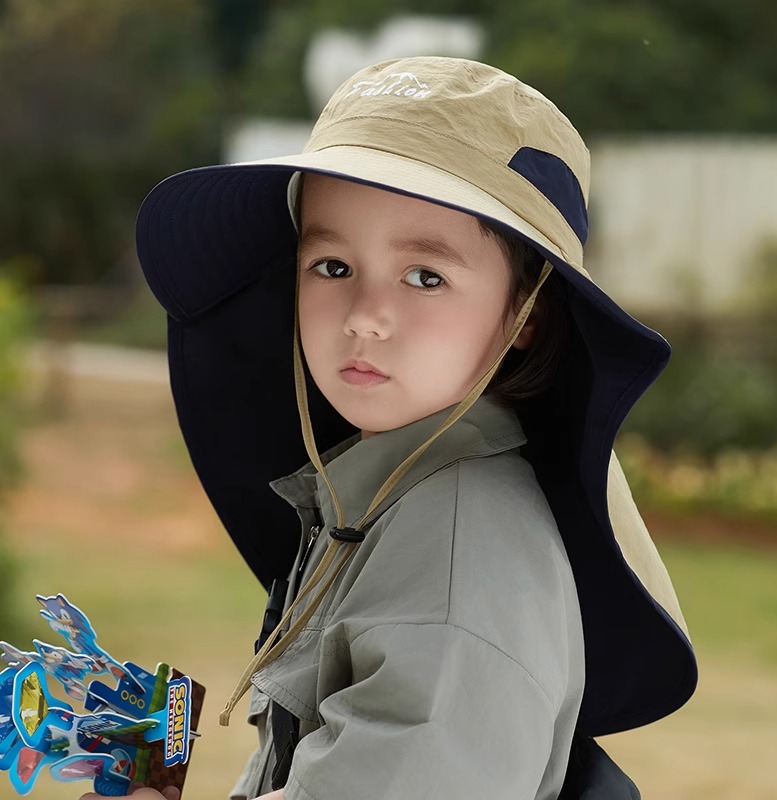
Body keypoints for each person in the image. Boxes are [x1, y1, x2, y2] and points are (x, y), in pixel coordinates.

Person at [87, 56, 698, 800]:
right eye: (333, 265)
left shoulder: (457, 547)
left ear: (528, 315)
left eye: (425, 276)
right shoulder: (388, 500)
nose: (365, 316)